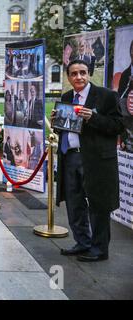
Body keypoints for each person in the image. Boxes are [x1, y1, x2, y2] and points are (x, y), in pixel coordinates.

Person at [52, 59, 124, 262]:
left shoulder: (106, 96)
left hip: (96, 160)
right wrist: (57, 121)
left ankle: (100, 249)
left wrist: (92, 117)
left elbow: (118, 126)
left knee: (97, 204)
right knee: (74, 203)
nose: (79, 77)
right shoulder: (67, 97)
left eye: (82, 72)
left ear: (89, 73)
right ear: (68, 77)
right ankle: (82, 242)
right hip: (71, 157)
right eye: (74, 74)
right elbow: (66, 129)